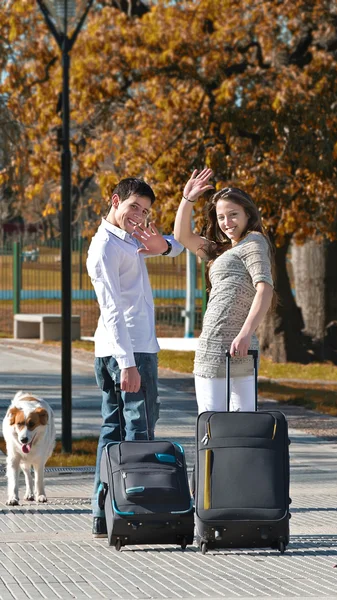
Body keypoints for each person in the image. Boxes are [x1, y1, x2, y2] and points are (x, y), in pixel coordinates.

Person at [86, 177, 184, 538]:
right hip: (129, 351)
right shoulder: (104, 249)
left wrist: (163, 245)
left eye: (145, 211)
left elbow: (175, 247)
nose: (139, 216)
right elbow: (111, 309)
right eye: (134, 208)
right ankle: (139, 515)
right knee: (138, 432)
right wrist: (127, 363)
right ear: (115, 201)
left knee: (113, 432)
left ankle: (104, 515)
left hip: (123, 348)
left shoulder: (127, 241)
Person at [174, 168, 275, 414]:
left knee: (244, 423)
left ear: (247, 214)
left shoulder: (254, 241)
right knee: (211, 422)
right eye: (221, 217)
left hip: (240, 344)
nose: (227, 223)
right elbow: (182, 236)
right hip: (212, 345)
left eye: (233, 215)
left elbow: (265, 289)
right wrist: (187, 199)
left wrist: (244, 333)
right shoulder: (221, 250)